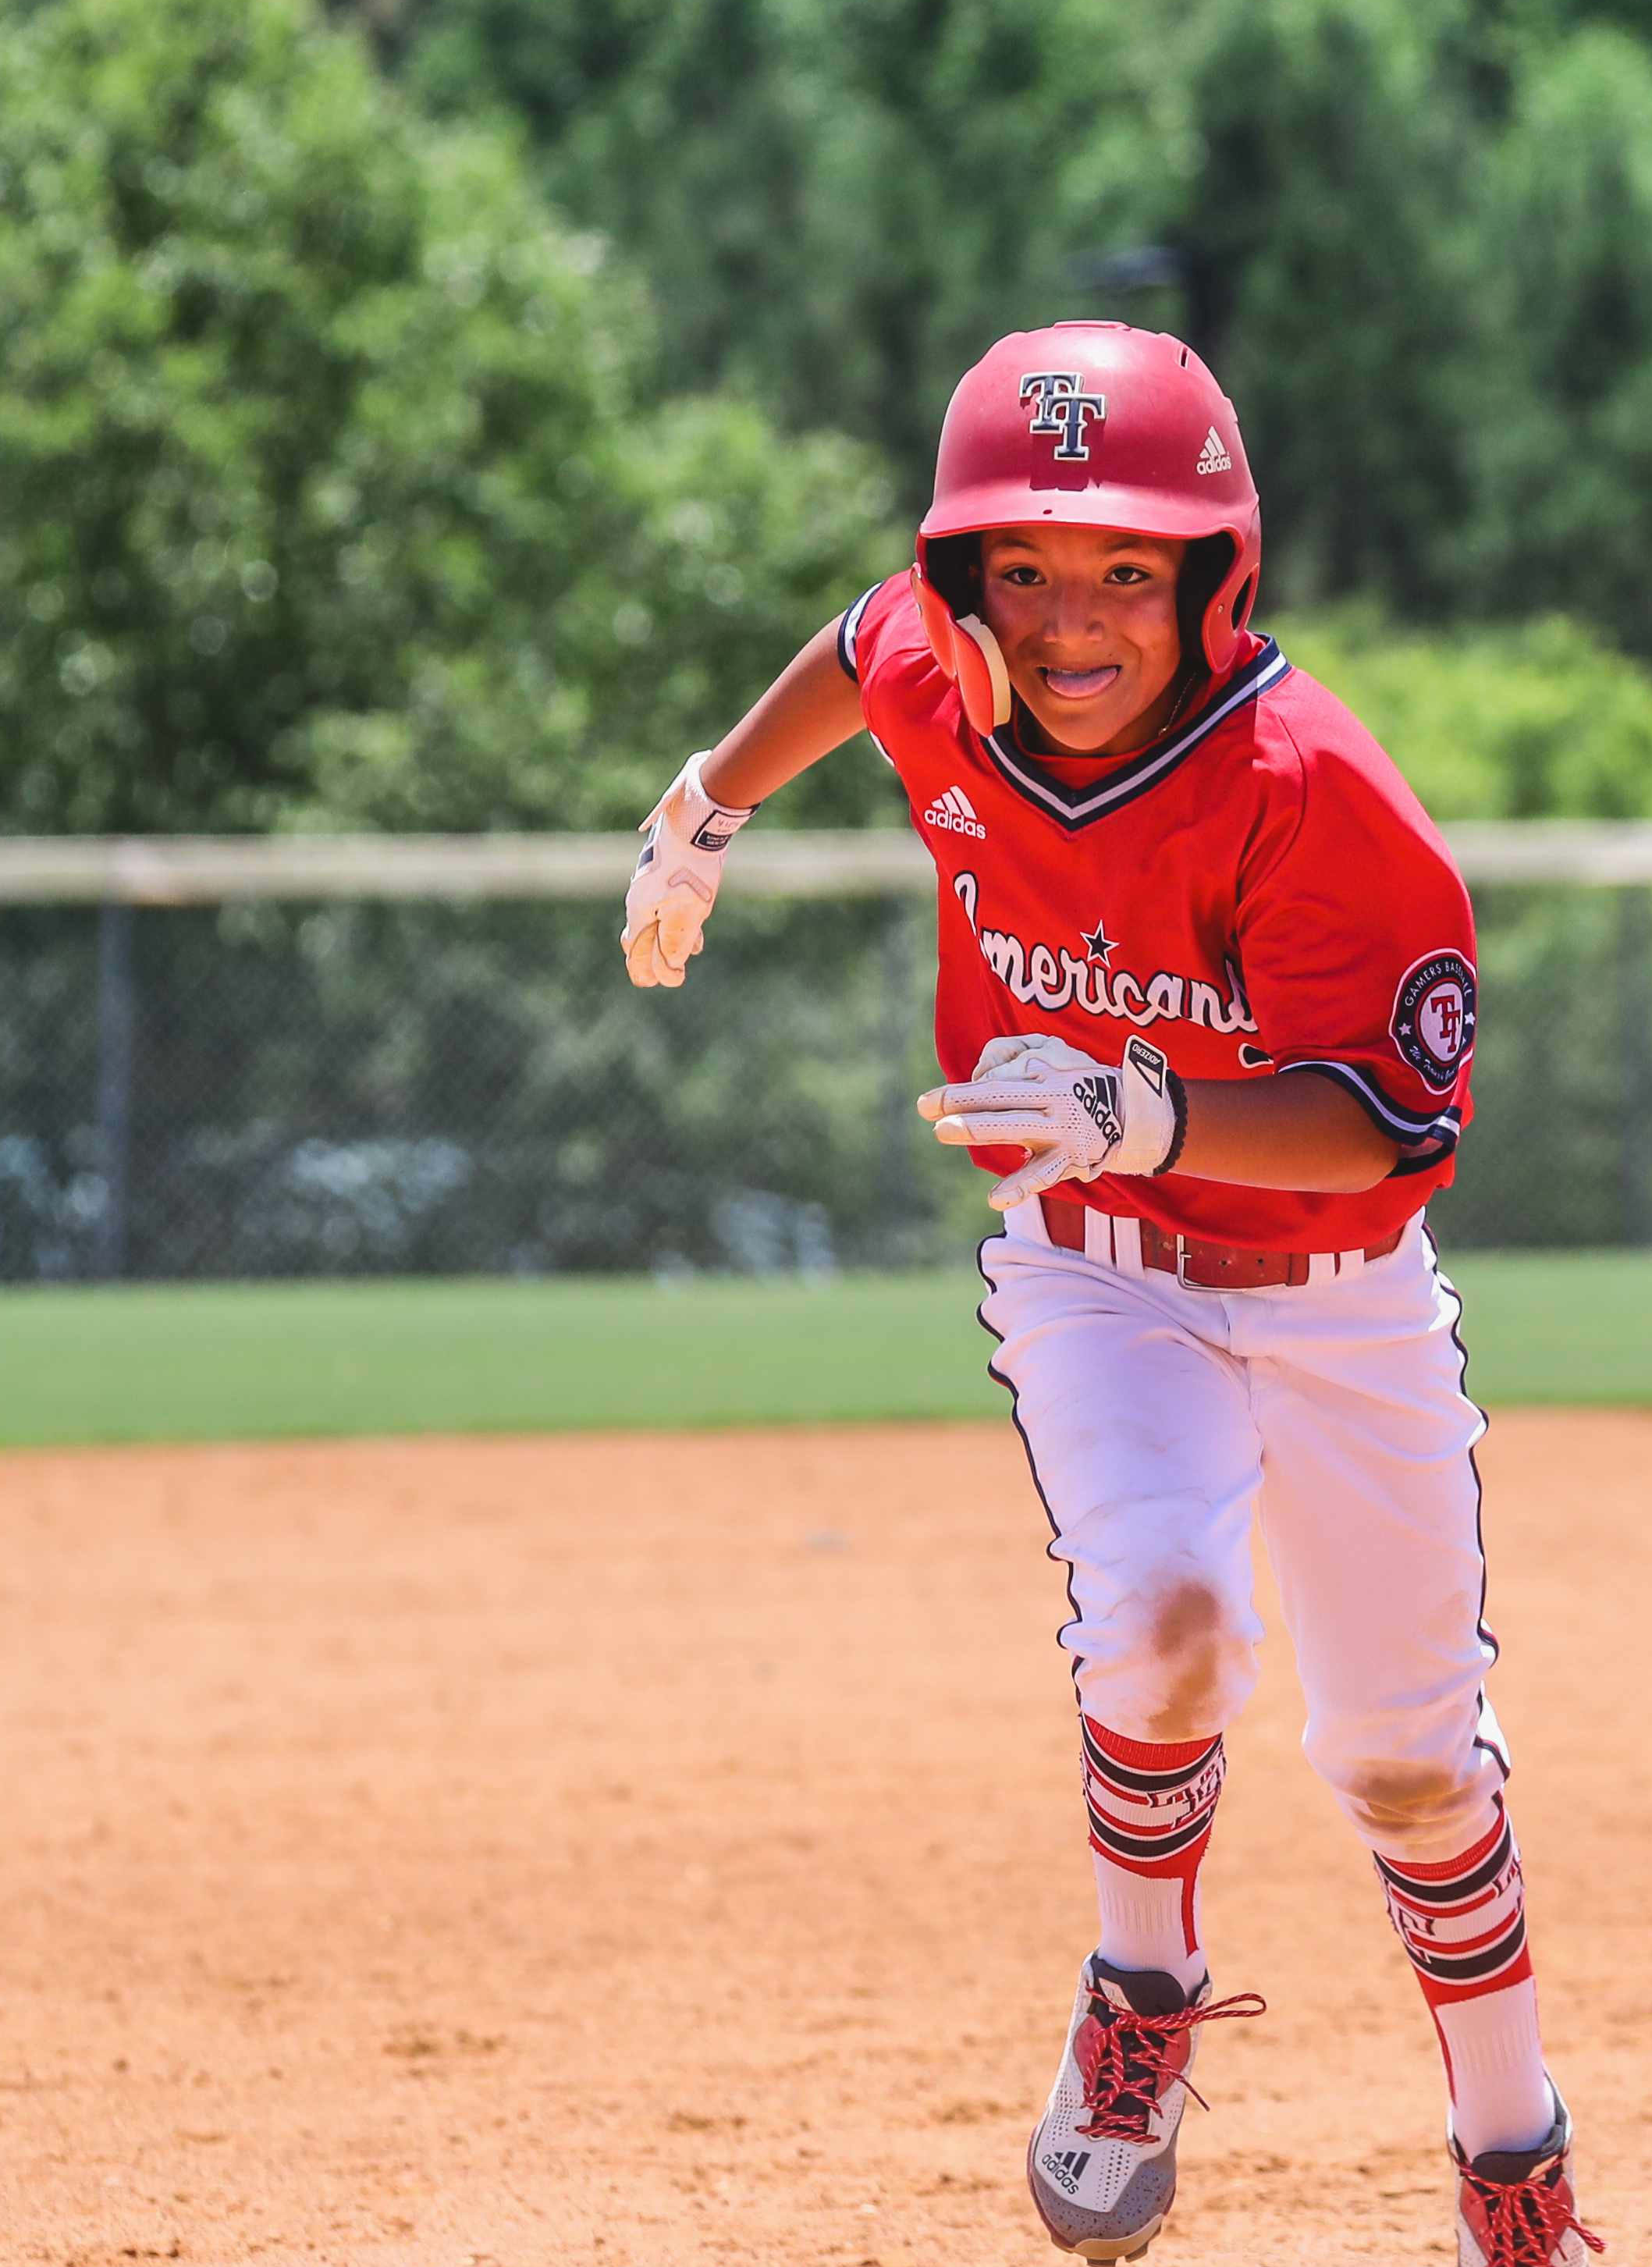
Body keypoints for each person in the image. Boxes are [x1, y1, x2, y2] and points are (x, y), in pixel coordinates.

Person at [616, 322, 1599, 2266]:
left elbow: (1391, 1126)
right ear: (970, 578)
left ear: (1212, 582)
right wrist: (705, 807)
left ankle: (1516, 2163)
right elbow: (856, 643)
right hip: (1093, 1266)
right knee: (1155, 1618)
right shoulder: (941, 665)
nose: (1073, 620)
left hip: (1332, 1292)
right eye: (1029, 571)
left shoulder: (1311, 786)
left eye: (1129, 573)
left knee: (1408, 1760)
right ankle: (1139, 1994)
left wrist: (1146, 1103)